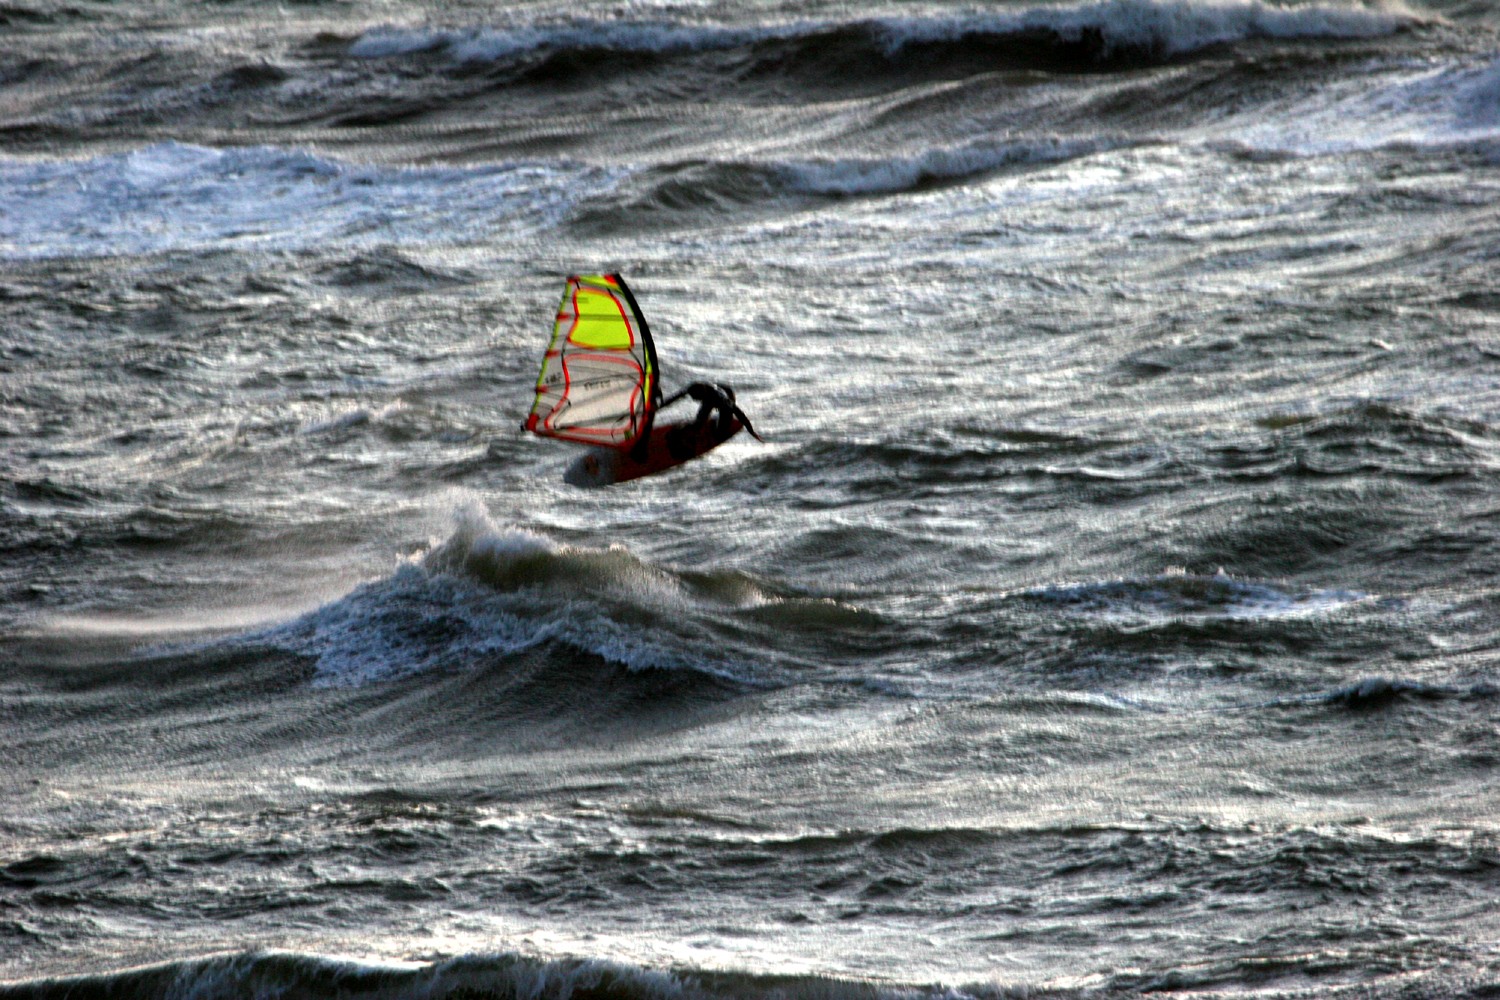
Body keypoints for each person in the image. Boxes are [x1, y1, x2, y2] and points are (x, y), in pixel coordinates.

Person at [633, 381, 762, 461]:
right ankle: (681, 432)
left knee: (720, 432)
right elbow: (674, 399)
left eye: (697, 398)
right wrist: (656, 408)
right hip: (710, 394)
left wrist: (752, 432)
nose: (694, 400)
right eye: (694, 398)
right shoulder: (692, 389)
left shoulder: (721, 399)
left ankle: (716, 424)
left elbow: (740, 414)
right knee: (697, 424)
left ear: (703, 394)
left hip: (726, 394)